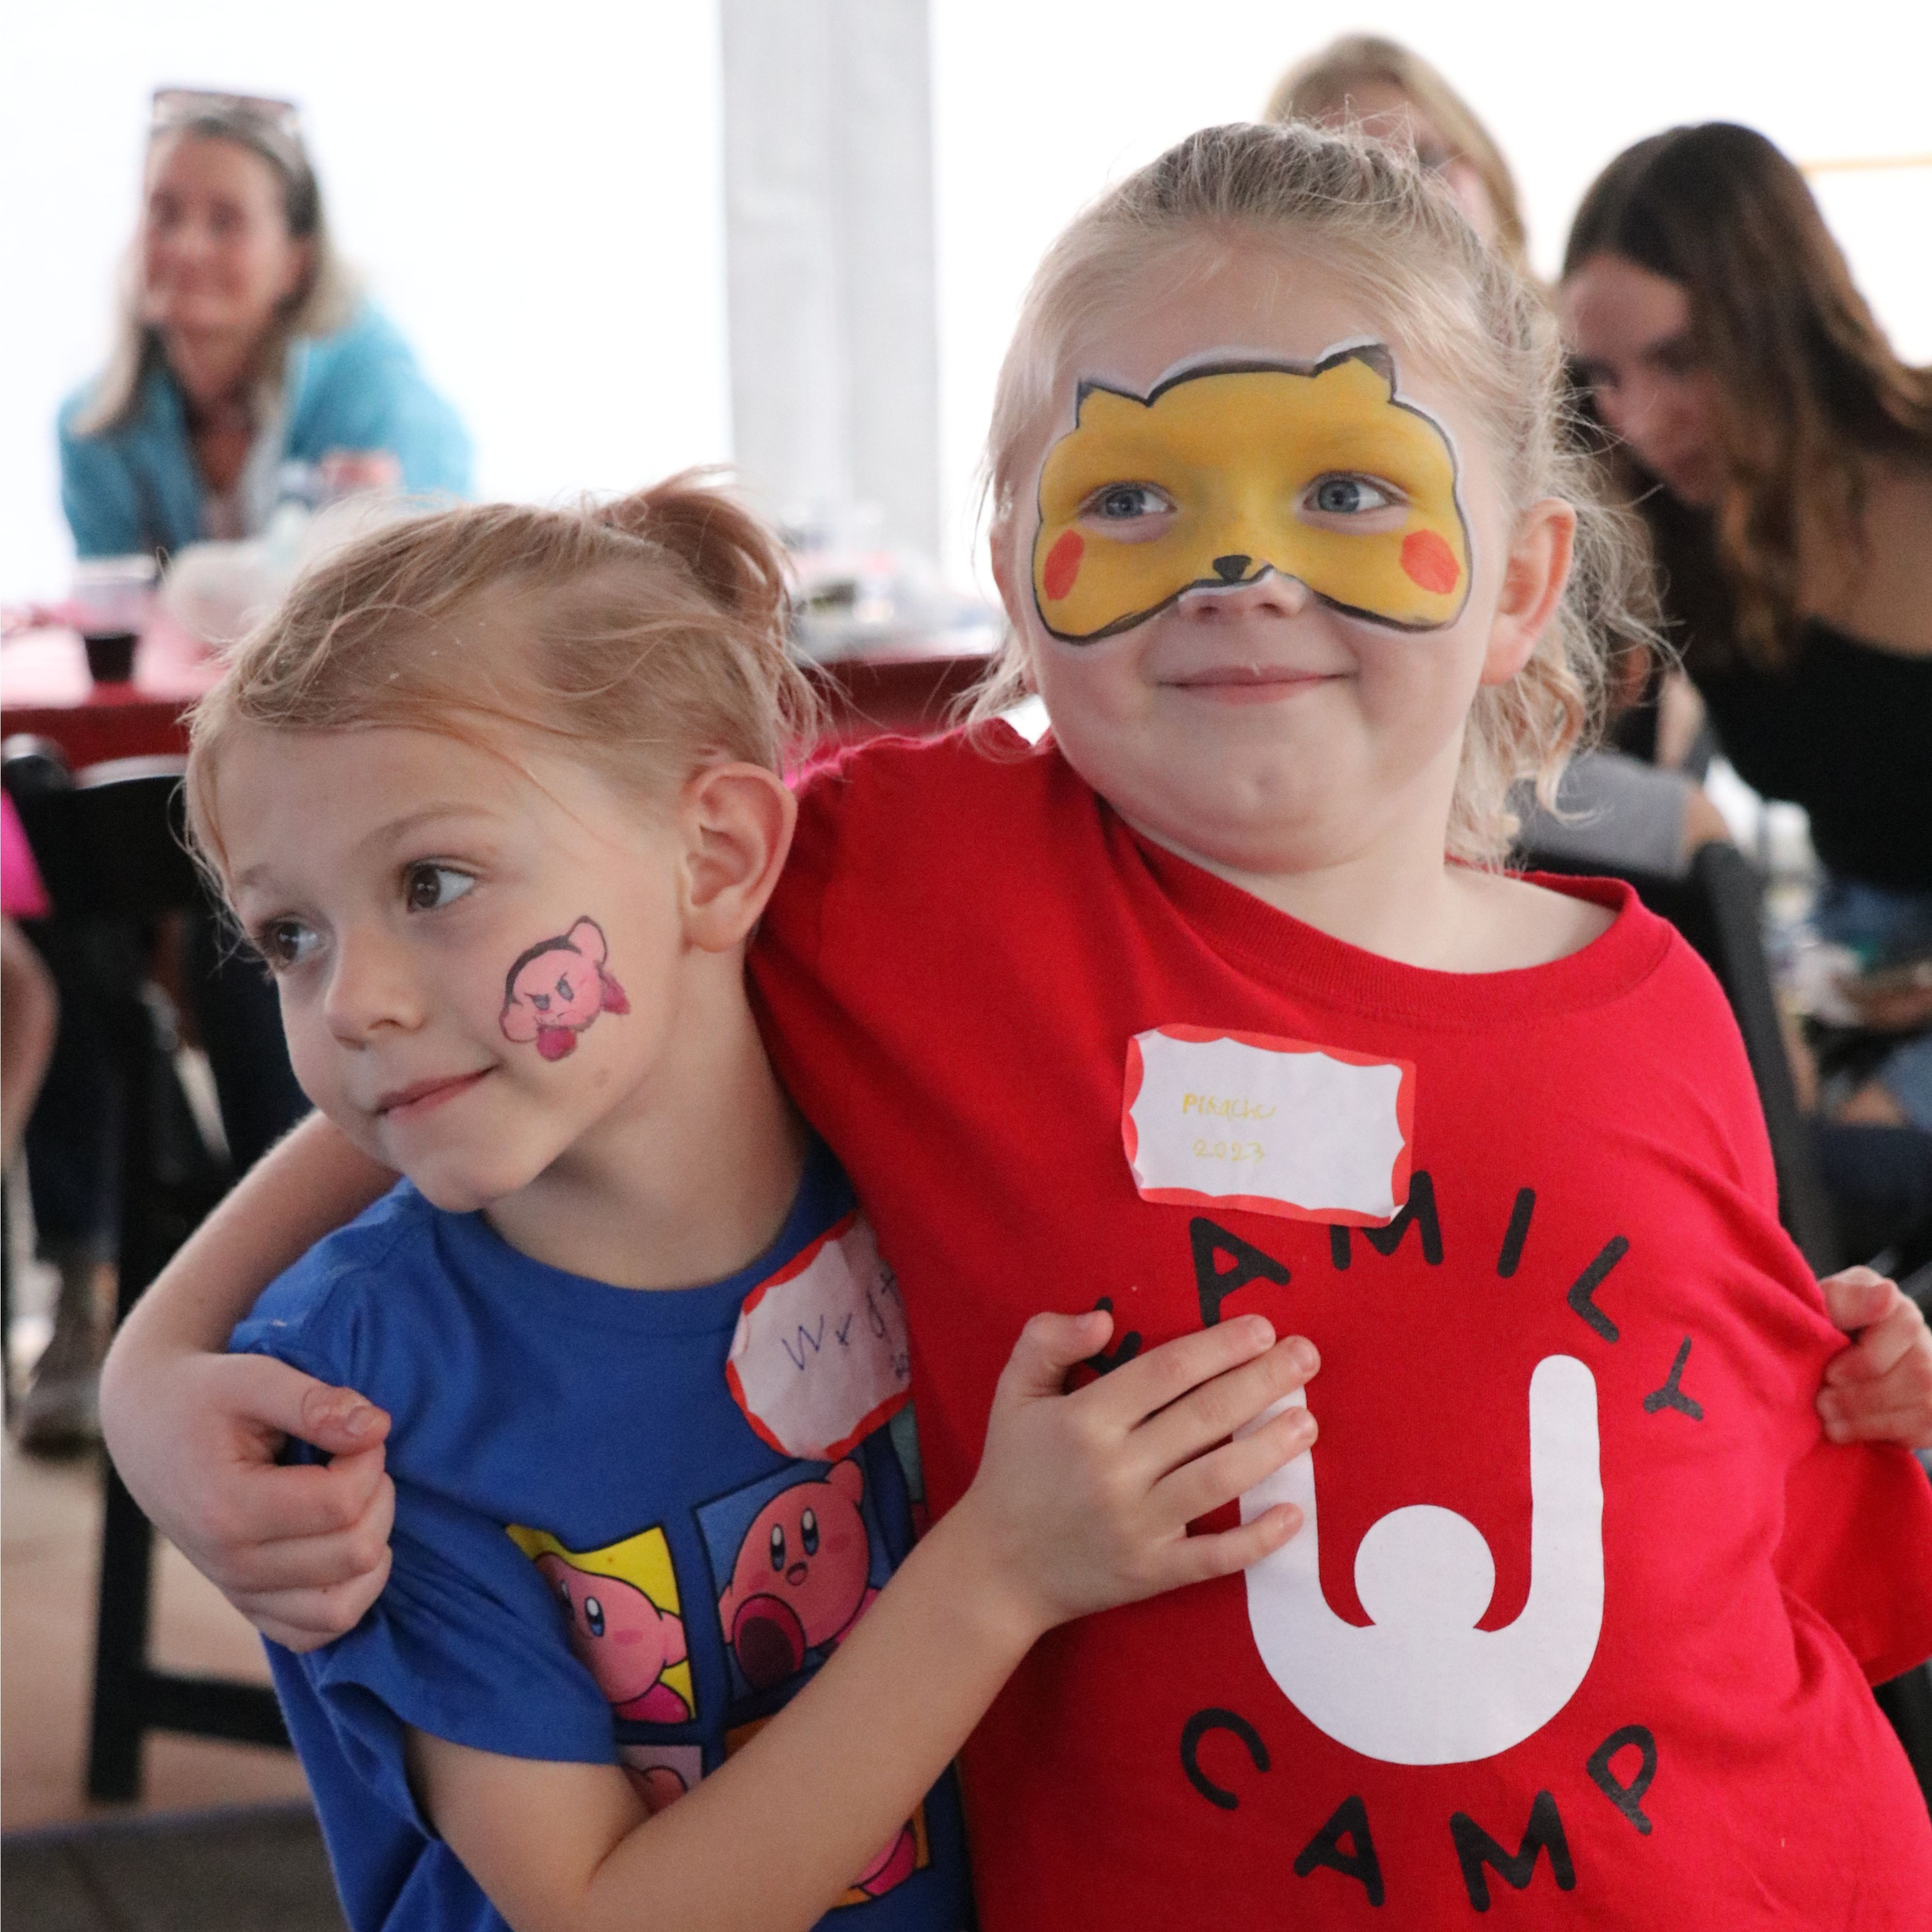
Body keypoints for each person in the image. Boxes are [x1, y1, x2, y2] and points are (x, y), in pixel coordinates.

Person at [104, 124, 1932, 1924]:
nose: (1239, 571)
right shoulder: (907, 875)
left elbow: (1746, 1498)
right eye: (1133, 495)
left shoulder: (1657, 1001)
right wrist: (152, 1376)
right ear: (1011, 559)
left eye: (1349, 490)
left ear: (1523, 579)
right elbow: (501, 1007)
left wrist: (1880, 1399)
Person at [169, 471, 1319, 1932]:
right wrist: (1002, 1572)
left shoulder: (918, 1150)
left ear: (713, 858)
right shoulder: (368, 1398)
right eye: (291, 936)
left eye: (434, 882)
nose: (356, 1004)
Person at [1266, 36, 1733, 879]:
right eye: (1346, 175)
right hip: (1448, 809)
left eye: (1423, 157)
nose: (1401, 193)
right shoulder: (1299, 421)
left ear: (1481, 167)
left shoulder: (1598, 369)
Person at [1561, 123, 1932, 1132]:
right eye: (1603, 375)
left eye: (1681, 360)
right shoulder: (1664, 522)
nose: (1642, 418)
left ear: (1780, 321)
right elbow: (1592, 807)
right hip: (1848, 950)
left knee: (1832, 1166)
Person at [59, 88, 471, 560]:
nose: (186, 248)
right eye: (164, 213)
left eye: (225, 222)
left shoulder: (377, 392)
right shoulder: (94, 430)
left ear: (297, 262)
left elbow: (432, 590)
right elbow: (115, 607)